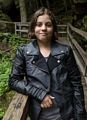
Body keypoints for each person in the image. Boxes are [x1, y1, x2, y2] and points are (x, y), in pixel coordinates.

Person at [8, 7, 87, 120]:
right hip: (40, 114)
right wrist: (40, 94)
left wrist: (81, 116)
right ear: (33, 28)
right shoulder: (24, 52)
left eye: (48, 25)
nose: (43, 28)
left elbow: (76, 84)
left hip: (67, 112)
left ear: (53, 28)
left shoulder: (65, 51)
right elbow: (13, 80)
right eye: (39, 24)